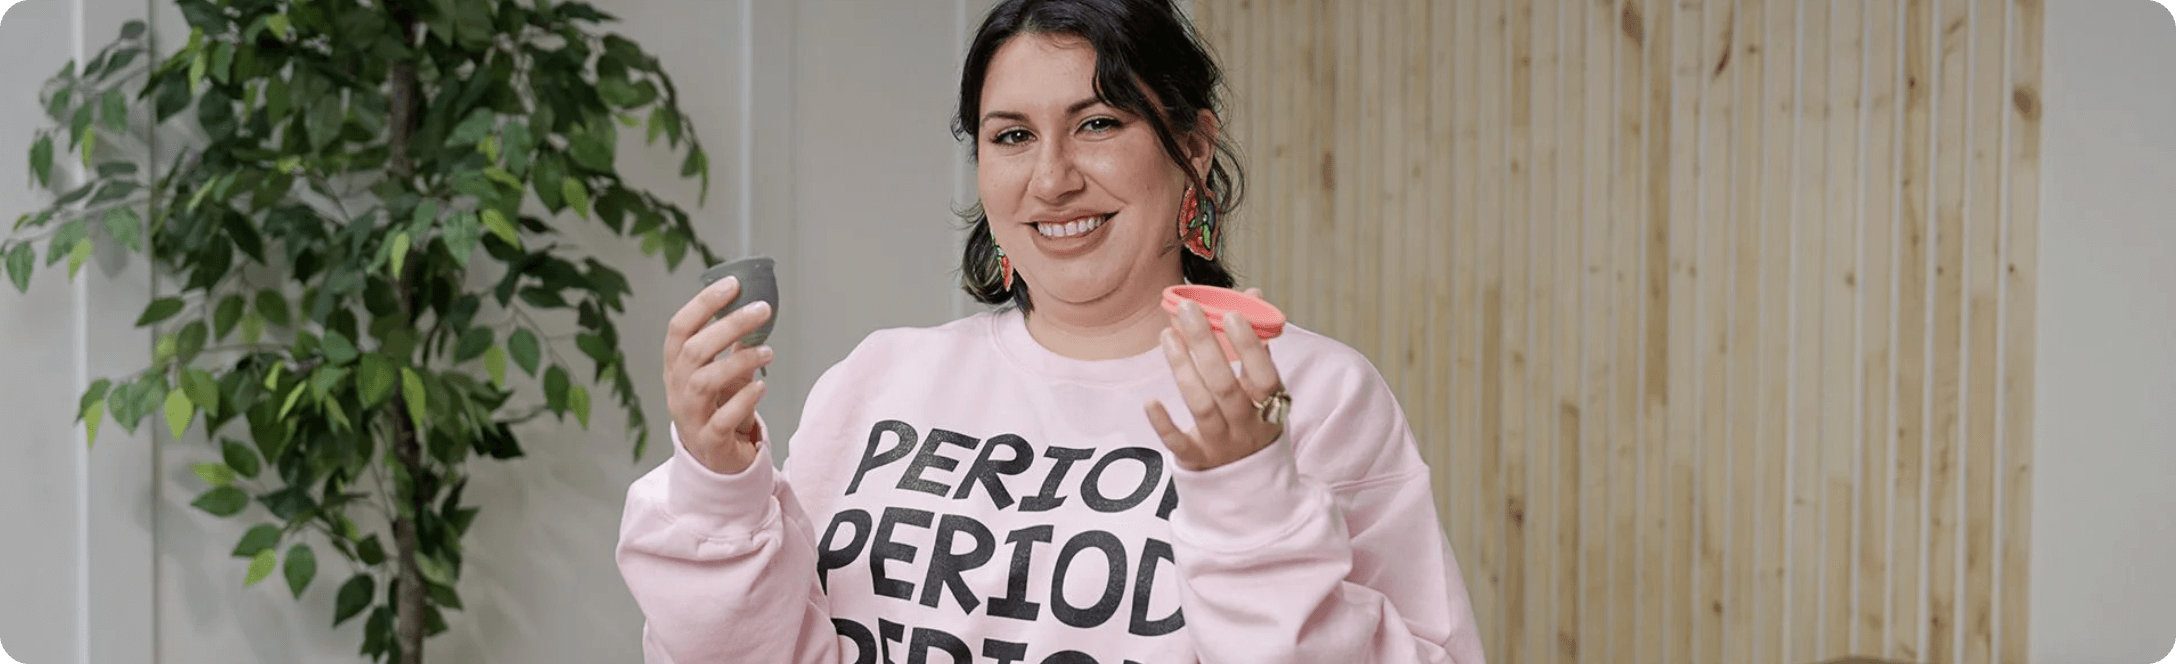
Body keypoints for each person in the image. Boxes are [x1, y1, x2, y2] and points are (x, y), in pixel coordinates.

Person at [614, 0, 1487, 662]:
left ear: (1191, 143)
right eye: (1012, 136)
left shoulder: (1308, 391)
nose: (1053, 178)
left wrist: (1252, 498)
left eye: (1099, 123)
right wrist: (720, 485)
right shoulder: (881, 376)